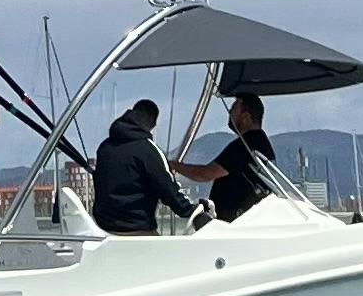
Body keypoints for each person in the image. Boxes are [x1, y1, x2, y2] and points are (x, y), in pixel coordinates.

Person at [91, 99, 207, 235]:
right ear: (152, 122)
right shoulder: (147, 150)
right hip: (137, 230)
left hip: (104, 229)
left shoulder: (105, 148)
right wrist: (192, 211)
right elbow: (167, 188)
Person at [172, 92, 277, 223]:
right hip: (246, 221)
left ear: (246, 117)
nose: (229, 112)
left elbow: (205, 174)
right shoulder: (260, 142)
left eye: (234, 108)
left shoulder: (246, 144)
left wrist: (172, 166)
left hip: (236, 224)